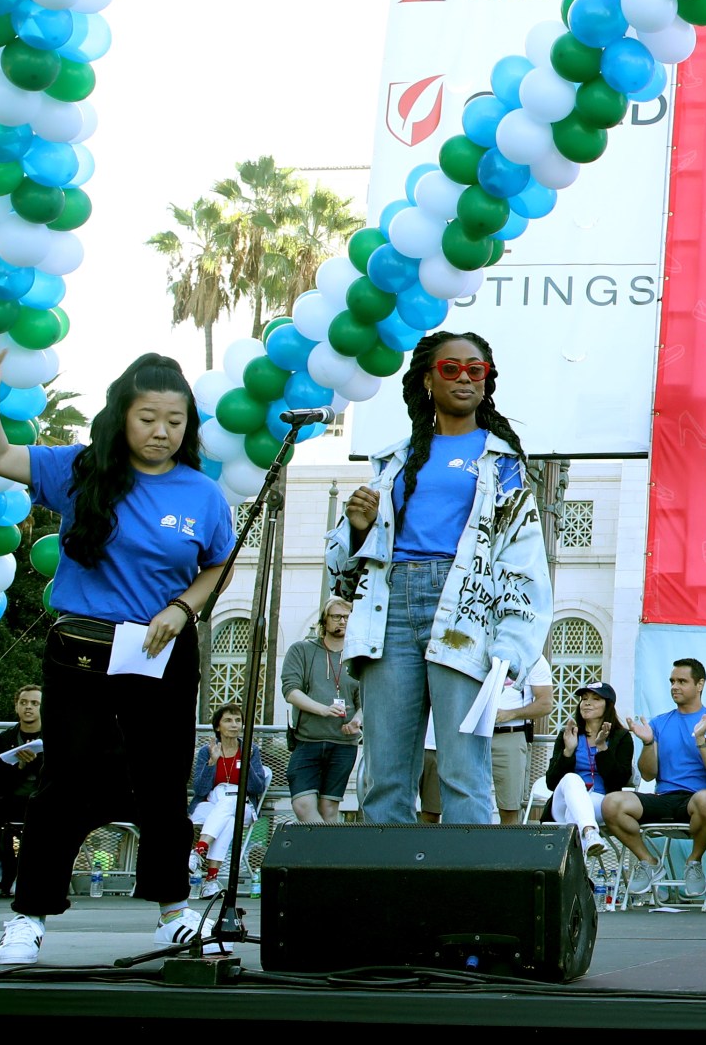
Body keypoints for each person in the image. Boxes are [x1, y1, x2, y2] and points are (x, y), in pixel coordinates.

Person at [0, 336, 237, 964]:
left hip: (162, 649)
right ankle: (28, 916)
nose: (162, 432)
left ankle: (173, 909)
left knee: (164, 782)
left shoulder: (201, 492)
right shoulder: (79, 469)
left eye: (175, 421)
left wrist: (182, 607)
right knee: (65, 781)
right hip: (81, 651)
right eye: (148, 418)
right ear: (122, 416)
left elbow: (218, 562)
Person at [332, 330, 552, 828]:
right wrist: (357, 527)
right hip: (390, 606)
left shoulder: (502, 462)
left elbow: (524, 558)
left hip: (462, 611)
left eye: (476, 370)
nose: (465, 378)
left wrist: (514, 643)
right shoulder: (393, 459)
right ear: (428, 379)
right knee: (384, 771)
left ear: (487, 381)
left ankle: (469, 896)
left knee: (462, 768)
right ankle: (388, 894)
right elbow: (343, 579)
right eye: (451, 369)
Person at [608, 658, 706, 900]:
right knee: (612, 804)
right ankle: (649, 861)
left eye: (682, 681)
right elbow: (647, 774)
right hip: (663, 798)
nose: (675, 686)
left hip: (698, 803)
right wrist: (647, 742)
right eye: (672, 681)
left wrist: (700, 739)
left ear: (700, 685)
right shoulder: (658, 723)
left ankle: (694, 860)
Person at [544, 681, 644, 879]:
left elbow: (619, 780)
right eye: (584, 699)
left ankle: (573, 879)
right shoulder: (569, 735)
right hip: (562, 804)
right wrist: (568, 751)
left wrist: (602, 750)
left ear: (608, 705)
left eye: (595, 699)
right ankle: (590, 832)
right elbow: (552, 783)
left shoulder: (620, 737)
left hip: (600, 802)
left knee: (576, 817)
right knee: (572, 779)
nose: (586, 703)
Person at [281, 597, 362, 824]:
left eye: (347, 617)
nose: (342, 622)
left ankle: (324, 857)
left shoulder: (358, 656)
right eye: (336, 616)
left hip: (343, 744)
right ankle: (320, 853)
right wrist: (323, 710)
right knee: (303, 805)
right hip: (307, 740)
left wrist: (357, 720)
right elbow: (290, 691)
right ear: (324, 621)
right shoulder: (302, 650)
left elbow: (365, 700)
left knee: (329, 809)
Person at [185, 705, 269, 897]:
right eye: (228, 720)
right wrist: (212, 763)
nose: (234, 725)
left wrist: (246, 763)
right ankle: (211, 881)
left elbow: (257, 788)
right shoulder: (207, 751)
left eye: (238, 720)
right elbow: (200, 790)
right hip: (211, 804)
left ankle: (198, 852)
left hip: (243, 805)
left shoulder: (251, 750)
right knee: (229, 818)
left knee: (230, 804)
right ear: (217, 727)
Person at [0, 685, 45, 898]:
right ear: (16, 706)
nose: (28, 708)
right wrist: (17, 767)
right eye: (23, 703)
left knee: (44, 819)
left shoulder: (57, 737)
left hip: (42, 799)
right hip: (8, 798)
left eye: (34, 703)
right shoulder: (3, 739)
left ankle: (25, 874)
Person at [492, 655, 556, 825]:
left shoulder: (533, 657)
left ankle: (507, 850)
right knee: (468, 800)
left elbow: (546, 703)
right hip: (471, 735)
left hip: (509, 735)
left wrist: (511, 713)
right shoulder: (480, 648)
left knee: (509, 806)